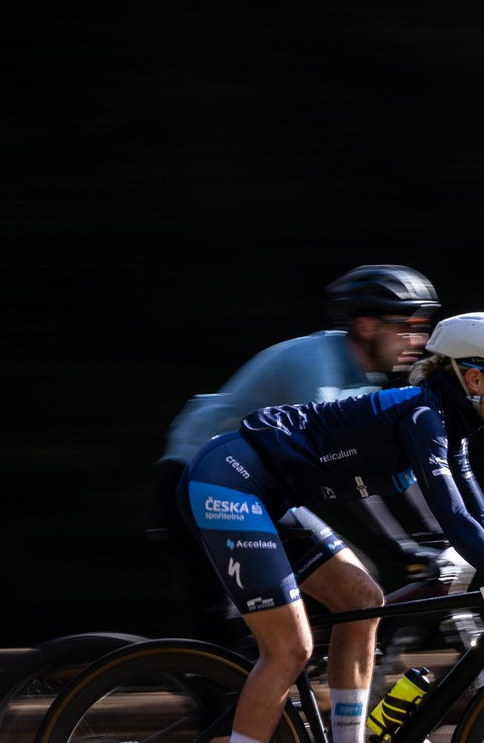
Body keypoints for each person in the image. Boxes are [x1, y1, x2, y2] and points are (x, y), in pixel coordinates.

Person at [177, 311, 484, 743]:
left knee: (360, 597)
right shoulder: (423, 416)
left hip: (270, 496)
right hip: (227, 483)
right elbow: (455, 518)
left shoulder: (447, 425)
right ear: (473, 376)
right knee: (289, 651)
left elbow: (482, 516)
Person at [152, 265, 447, 647]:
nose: (418, 339)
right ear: (367, 326)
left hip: (257, 493)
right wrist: (405, 548)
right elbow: (346, 472)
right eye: (408, 325)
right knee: (225, 637)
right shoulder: (317, 369)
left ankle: (316, 685)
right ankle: (219, 697)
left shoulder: (360, 381)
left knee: (357, 587)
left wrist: (437, 538)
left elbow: (391, 472)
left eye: (423, 327)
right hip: (194, 482)